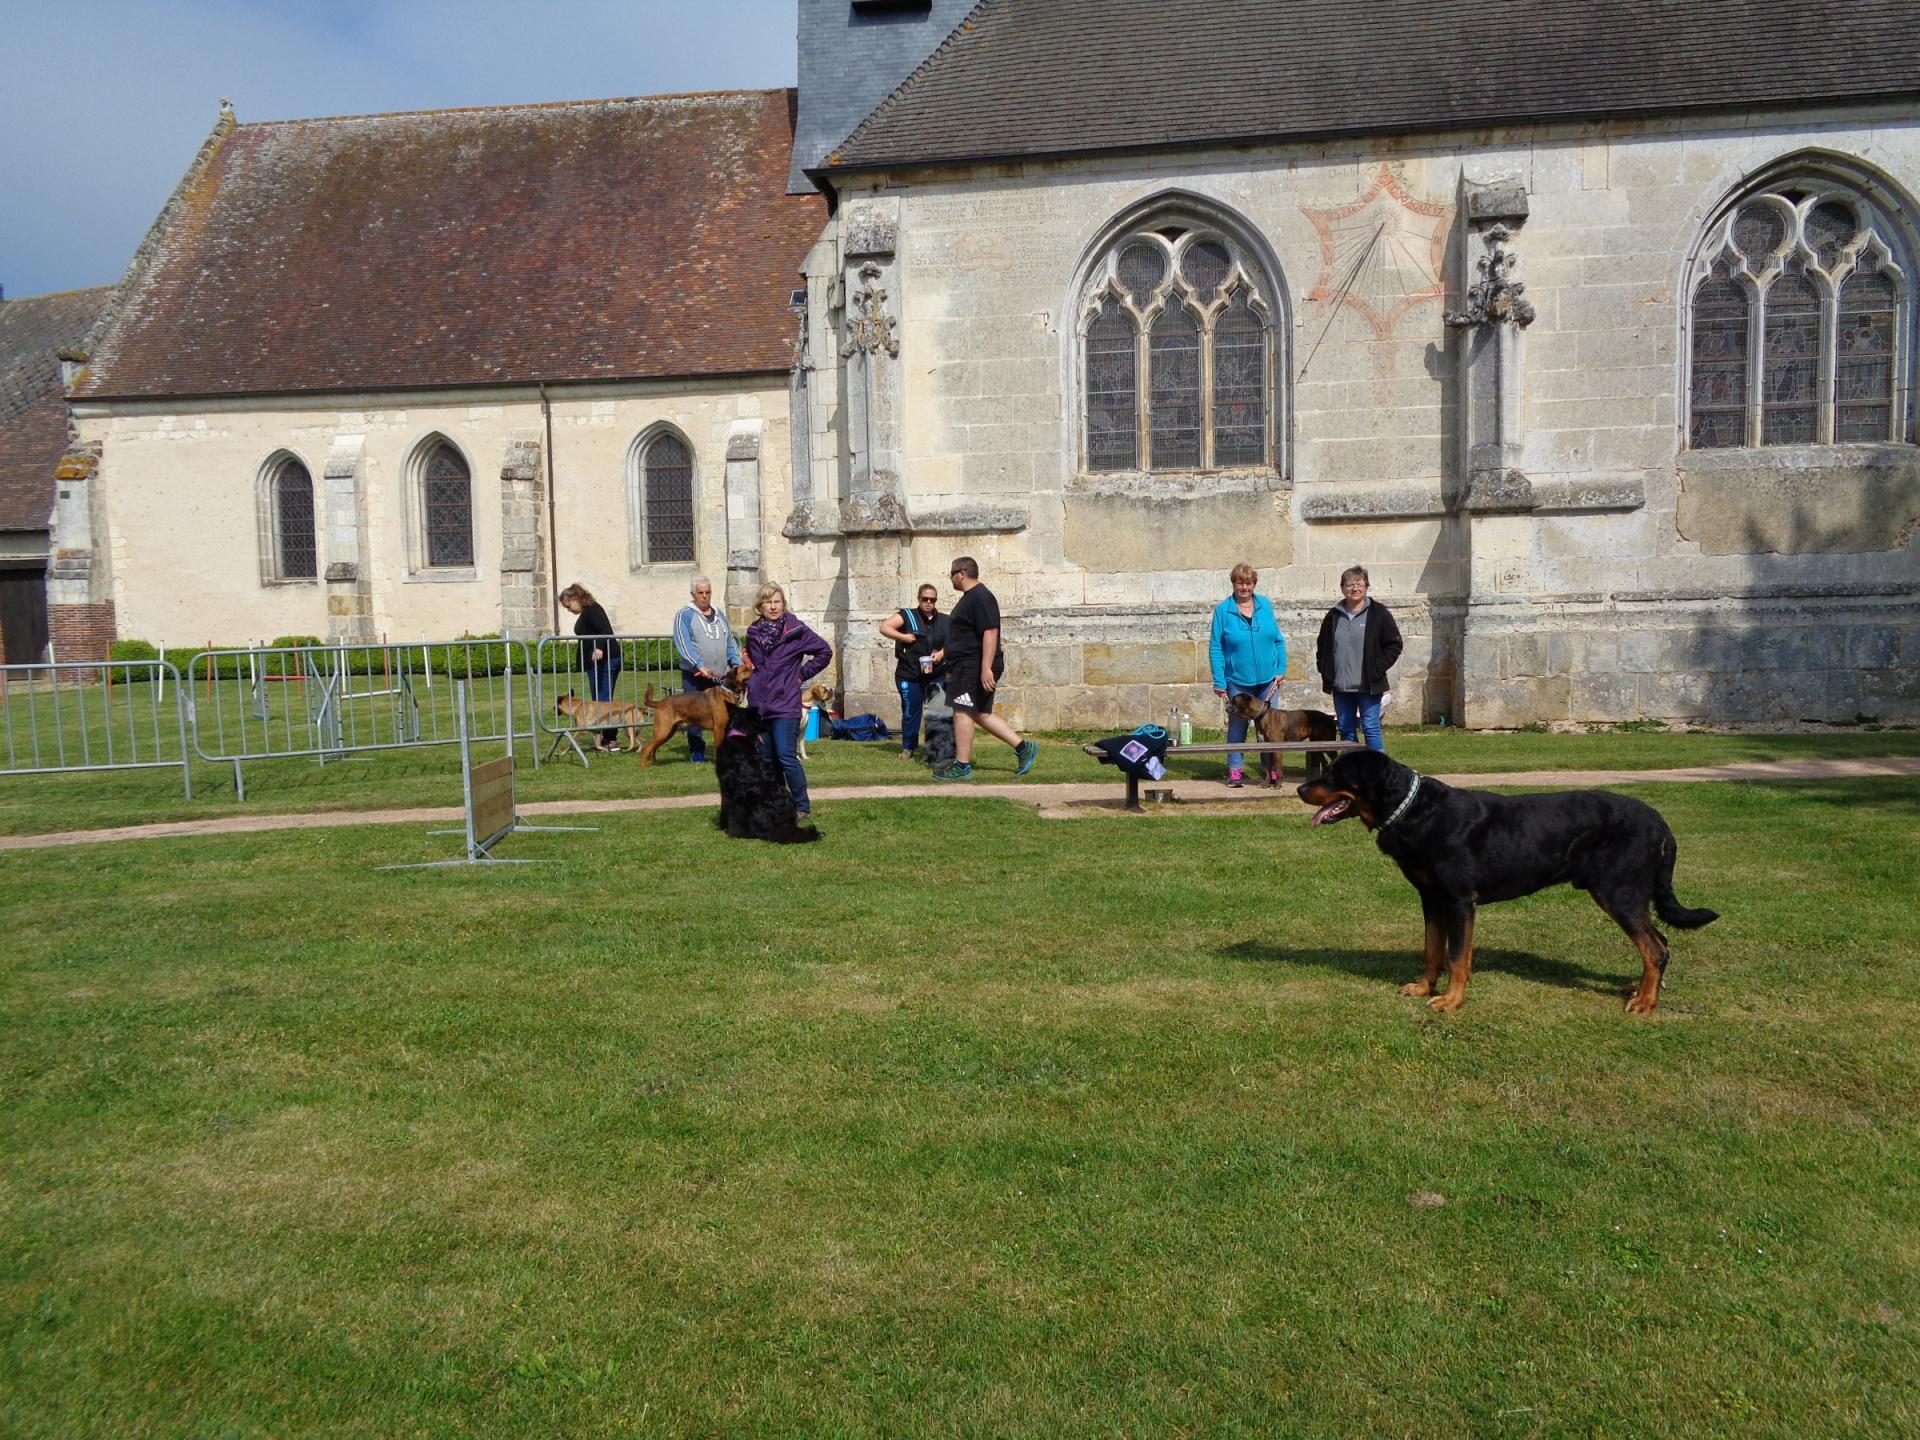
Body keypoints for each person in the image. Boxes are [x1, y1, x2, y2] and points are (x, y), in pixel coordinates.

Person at [933, 556, 1037, 781]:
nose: (950, 579)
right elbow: (965, 636)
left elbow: (990, 632)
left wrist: (986, 668)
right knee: (979, 713)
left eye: (951, 574)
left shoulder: (981, 597)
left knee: (962, 711)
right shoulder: (971, 598)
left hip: (974, 665)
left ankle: (962, 767)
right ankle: (1023, 747)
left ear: (961, 573)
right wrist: (944, 653)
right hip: (967, 664)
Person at [744, 582, 833, 818]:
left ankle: (802, 806)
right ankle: (777, 803)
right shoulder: (753, 632)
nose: (773, 607)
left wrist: (801, 674)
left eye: (777, 602)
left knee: (785, 756)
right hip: (760, 704)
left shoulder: (796, 630)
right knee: (766, 758)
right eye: (768, 602)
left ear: (783, 604)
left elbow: (824, 651)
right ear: (760, 606)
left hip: (785, 703)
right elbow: (753, 663)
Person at [1209, 562, 1287, 788]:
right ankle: (1235, 771)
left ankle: (1271, 771)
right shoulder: (1223, 610)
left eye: (1248, 583)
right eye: (1240, 583)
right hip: (1237, 680)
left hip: (1268, 680)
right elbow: (1216, 647)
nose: (1244, 587)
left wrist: (1281, 669)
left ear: (1254, 584)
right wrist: (1219, 681)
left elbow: (1278, 640)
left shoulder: (1265, 605)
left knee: (1269, 729)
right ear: (1233, 584)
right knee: (1237, 725)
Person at [1315, 565, 1403, 753]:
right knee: (1346, 731)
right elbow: (1322, 646)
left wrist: (1377, 668)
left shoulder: (1379, 614)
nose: (1354, 588)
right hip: (1341, 686)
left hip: (1368, 685)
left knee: (1370, 729)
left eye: (1359, 584)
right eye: (1349, 585)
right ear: (1342, 588)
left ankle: (1378, 774)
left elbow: (1394, 645)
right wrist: (1325, 670)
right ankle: (1353, 775)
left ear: (1366, 586)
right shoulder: (1333, 615)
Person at [672, 575, 741, 765]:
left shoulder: (719, 615)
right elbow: (683, 643)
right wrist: (699, 665)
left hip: (720, 677)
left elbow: (730, 642)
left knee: (725, 715)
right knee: (695, 715)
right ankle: (697, 751)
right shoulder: (684, 615)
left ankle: (725, 751)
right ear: (693, 594)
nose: (704, 596)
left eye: (707, 592)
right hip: (695, 675)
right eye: (700, 593)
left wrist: (736, 664)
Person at [877, 582, 950, 761]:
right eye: (925, 599)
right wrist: (903, 637)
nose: (928, 602)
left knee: (937, 710)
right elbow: (884, 627)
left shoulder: (945, 620)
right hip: (909, 673)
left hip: (936, 673)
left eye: (932, 600)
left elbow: (955, 642)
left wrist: (941, 653)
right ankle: (908, 747)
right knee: (911, 711)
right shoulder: (907, 615)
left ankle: (937, 749)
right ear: (919, 599)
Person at [558, 582, 622, 752]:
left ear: (576, 598)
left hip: (607, 659)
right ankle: (601, 740)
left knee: (603, 700)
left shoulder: (593, 609)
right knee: (598, 700)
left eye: (568, 605)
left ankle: (611, 739)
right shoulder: (587, 612)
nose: (568, 610)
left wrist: (599, 647)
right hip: (595, 663)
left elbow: (606, 630)